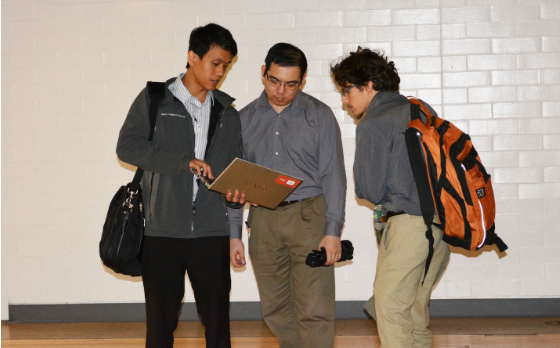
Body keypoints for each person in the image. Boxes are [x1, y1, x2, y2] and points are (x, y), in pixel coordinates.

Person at [116, 23, 241, 348]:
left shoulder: (228, 113)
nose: (220, 72)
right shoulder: (155, 99)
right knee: (160, 326)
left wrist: (236, 197)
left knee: (217, 328)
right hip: (162, 232)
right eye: (215, 62)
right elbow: (127, 147)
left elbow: (231, 171)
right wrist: (182, 161)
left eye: (226, 65)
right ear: (192, 57)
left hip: (212, 234)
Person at [227, 43, 347, 348]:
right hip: (263, 221)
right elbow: (235, 182)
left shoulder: (319, 115)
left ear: (303, 80)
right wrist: (234, 233)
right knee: (275, 310)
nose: (281, 91)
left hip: (309, 218)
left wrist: (333, 232)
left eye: (291, 84)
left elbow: (334, 175)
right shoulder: (243, 120)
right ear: (263, 73)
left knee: (314, 311)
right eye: (274, 81)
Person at [331, 47, 451, 348]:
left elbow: (368, 190)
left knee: (389, 308)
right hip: (442, 226)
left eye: (347, 91)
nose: (345, 101)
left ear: (368, 85)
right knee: (413, 309)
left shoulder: (374, 122)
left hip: (408, 229)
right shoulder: (420, 108)